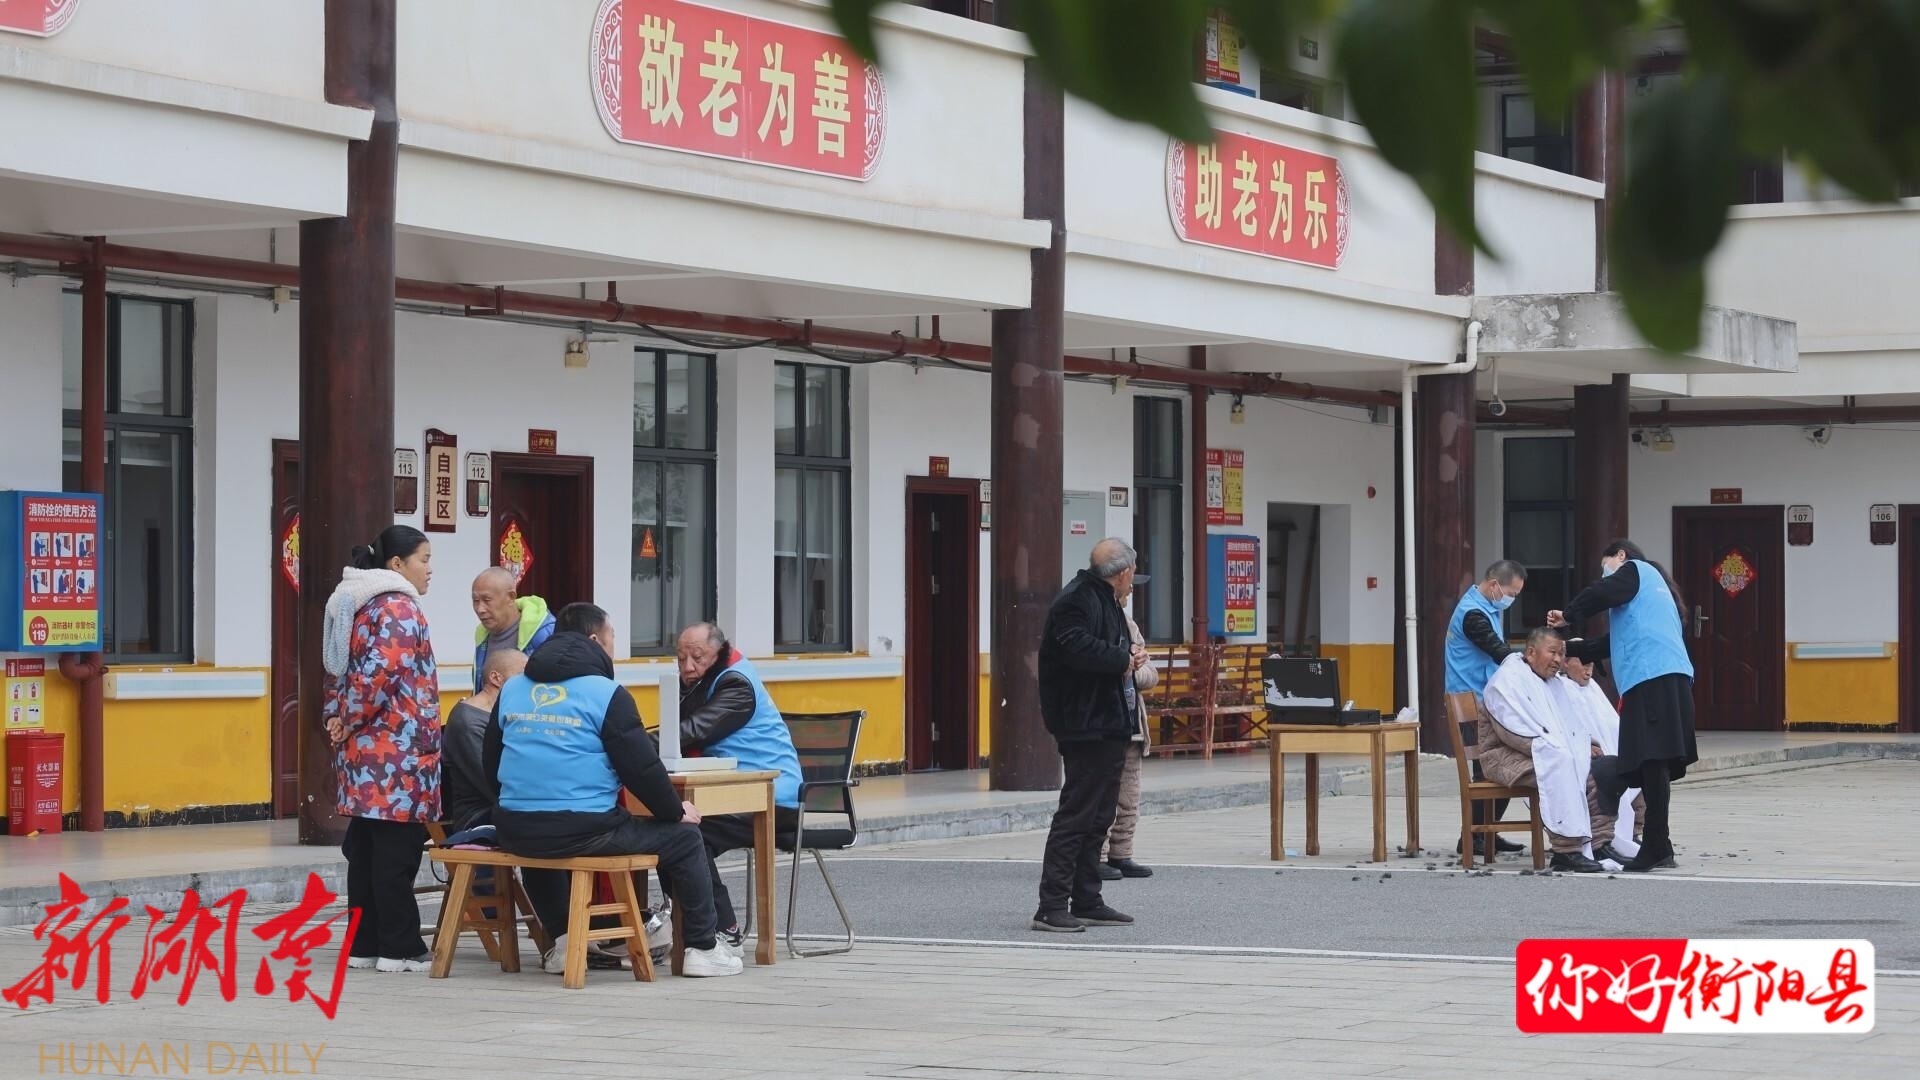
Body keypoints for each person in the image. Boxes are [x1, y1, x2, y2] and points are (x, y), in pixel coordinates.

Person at [485, 602, 741, 977]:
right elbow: (640, 769)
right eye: (613, 637)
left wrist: (522, 800)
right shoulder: (606, 694)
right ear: (596, 641)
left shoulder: (513, 689)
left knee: (539, 835)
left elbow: (490, 761)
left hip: (515, 827)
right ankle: (702, 948)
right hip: (585, 827)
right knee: (686, 839)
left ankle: (562, 944)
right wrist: (674, 811)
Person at [322, 525, 441, 973]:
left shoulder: (355, 602)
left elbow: (335, 669)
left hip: (363, 752)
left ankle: (364, 943)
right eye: (424, 559)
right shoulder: (399, 607)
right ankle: (400, 946)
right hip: (397, 753)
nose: (429, 570)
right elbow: (377, 676)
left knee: (366, 850)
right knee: (396, 851)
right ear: (397, 564)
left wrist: (337, 718)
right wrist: (349, 717)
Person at [1549, 539, 1695, 873]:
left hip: (1651, 680)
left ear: (1620, 555)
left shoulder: (1635, 570)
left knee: (1653, 763)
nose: (1605, 574)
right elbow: (1613, 643)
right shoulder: (1655, 592)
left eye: (1606, 565)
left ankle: (1655, 846)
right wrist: (1574, 649)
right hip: (1670, 681)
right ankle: (1660, 845)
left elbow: (1599, 593)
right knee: (1655, 766)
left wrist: (1568, 615)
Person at [1032, 538, 1144, 933]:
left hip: (1109, 722)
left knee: (1100, 815)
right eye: (1133, 575)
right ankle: (1051, 905)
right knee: (1077, 813)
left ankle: (1087, 899)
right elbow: (1077, 647)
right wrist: (1122, 659)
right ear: (1123, 572)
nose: (1132, 584)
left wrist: (1131, 656)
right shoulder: (1076, 599)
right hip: (1084, 723)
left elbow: (1112, 649)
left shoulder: (1107, 600)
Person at [675, 621, 804, 956]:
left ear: (719, 653)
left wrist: (634, 745)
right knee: (668, 826)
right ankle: (693, 926)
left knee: (681, 833)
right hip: (731, 790)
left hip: (773, 797)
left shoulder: (736, 684)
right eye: (681, 658)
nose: (688, 667)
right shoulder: (701, 682)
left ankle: (722, 928)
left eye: (697, 658)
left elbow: (694, 730)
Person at [1479, 629, 1620, 873]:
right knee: (1561, 766)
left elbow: (1571, 722)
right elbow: (1515, 733)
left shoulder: (1552, 682)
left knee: (1607, 767)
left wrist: (1587, 744)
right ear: (1531, 652)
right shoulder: (1507, 681)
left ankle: (1599, 843)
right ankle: (1566, 850)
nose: (1558, 660)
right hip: (1506, 755)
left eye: (1561, 654)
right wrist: (1561, 751)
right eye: (1552, 652)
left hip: (1547, 750)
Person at [1444, 560, 1530, 856]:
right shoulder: (1473, 615)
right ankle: (1475, 835)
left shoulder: (1486, 608)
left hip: (1484, 701)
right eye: (1511, 593)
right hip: (1470, 703)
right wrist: (1531, 662)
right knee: (1491, 769)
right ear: (1494, 585)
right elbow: (1497, 650)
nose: (1512, 599)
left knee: (1494, 768)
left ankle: (1485, 831)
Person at [1553, 640, 1646, 862]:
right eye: (1583, 664)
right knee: (1606, 773)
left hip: (1609, 751)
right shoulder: (1560, 687)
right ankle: (1601, 840)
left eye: (1592, 665)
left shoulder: (1593, 688)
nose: (1588, 670)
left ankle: (1633, 832)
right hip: (1581, 757)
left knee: (1643, 767)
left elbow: (1613, 724)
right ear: (1565, 663)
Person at [442, 648, 526, 835]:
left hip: (508, 806)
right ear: (496, 678)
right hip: (480, 817)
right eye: (522, 676)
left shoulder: (506, 714)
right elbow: (493, 784)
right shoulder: (467, 721)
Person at [1099, 606, 1155, 881]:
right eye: (1128, 585)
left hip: (1132, 728)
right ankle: (1095, 856)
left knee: (1129, 797)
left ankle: (1121, 854)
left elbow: (1151, 675)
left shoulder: (1129, 624)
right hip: (1102, 727)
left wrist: (1135, 668)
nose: (1131, 589)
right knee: (1101, 796)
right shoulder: (1092, 625)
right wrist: (1121, 665)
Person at [471, 566, 556, 672]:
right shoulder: (482, 636)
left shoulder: (544, 633)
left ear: (511, 597)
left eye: (487, 600)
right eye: (475, 600)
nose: (480, 609)